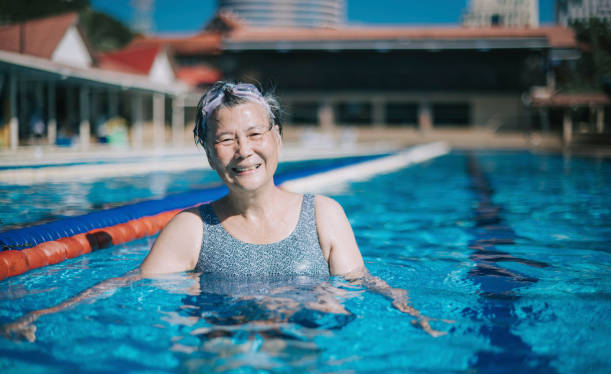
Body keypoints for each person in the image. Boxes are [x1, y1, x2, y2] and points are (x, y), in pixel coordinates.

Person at [1, 81, 446, 341]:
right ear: (210, 155)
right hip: (223, 349)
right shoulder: (191, 229)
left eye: (254, 134)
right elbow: (125, 286)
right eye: (226, 139)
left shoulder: (324, 214)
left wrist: (409, 311)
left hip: (305, 346)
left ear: (277, 139)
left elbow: (359, 282)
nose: (244, 151)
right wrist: (45, 314)